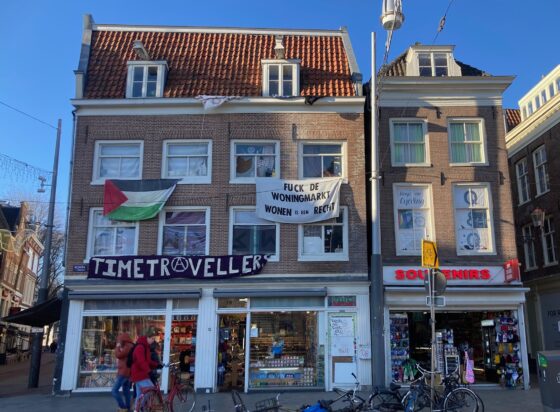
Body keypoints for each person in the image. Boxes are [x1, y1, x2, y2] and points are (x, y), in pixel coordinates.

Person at [130, 328, 160, 412]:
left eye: (154, 339)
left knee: (140, 395)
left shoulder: (146, 346)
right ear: (147, 337)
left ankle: (137, 410)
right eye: (152, 338)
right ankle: (139, 408)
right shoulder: (140, 347)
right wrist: (149, 371)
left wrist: (157, 364)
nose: (153, 341)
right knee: (150, 389)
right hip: (139, 374)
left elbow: (148, 361)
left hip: (141, 374)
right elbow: (141, 362)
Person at [112, 333, 134, 412]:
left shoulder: (127, 346)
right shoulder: (129, 346)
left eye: (119, 340)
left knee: (114, 391)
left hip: (124, 372)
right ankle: (128, 408)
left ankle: (123, 407)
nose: (118, 342)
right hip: (127, 372)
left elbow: (118, 355)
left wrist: (117, 347)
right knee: (126, 391)